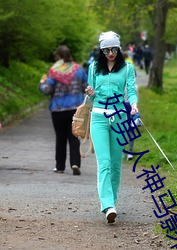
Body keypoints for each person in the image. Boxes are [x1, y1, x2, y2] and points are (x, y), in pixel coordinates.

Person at [85, 31, 138, 223]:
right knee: (104, 163)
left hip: (120, 119)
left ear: (119, 48)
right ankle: (107, 205)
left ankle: (112, 201)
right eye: (106, 50)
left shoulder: (127, 68)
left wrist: (133, 104)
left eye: (114, 49)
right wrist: (90, 92)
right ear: (101, 50)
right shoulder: (93, 68)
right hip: (98, 118)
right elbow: (91, 96)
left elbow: (131, 90)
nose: (110, 53)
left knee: (116, 164)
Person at [39, 45, 88, 175]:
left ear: (58, 57)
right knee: (74, 137)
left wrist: (42, 83)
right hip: (75, 109)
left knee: (60, 138)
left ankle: (60, 166)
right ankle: (75, 163)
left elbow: (47, 90)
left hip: (58, 109)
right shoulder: (79, 70)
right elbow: (86, 87)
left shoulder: (54, 71)